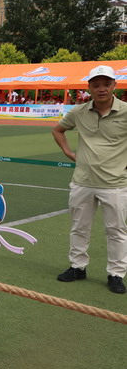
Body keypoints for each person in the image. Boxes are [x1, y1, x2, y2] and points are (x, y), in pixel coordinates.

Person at [52, 65, 127, 294]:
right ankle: (78, 267)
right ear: (89, 88)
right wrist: (69, 153)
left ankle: (116, 274)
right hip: (83, 181)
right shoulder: (79, 112)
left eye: (106, 84)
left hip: (115, 183)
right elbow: (58, 130)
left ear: (114, 86)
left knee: (116, 231)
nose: (101, 89)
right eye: (96, 85)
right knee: (79, 227)